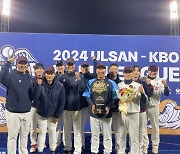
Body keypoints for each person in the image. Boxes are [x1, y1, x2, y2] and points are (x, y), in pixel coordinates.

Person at [0, 55, 33, 154]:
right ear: (17, 64)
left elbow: (32, 94)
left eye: (24, 63)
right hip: (13, 112)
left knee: (24, 136)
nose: (23, 65)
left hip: (26, 112)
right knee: (12, 137)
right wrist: (8, 63)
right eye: (20, 63)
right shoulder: (11, 75)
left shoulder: (30, 77)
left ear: (27, 64)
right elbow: (1, 78)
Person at [83, 63, 118, 154]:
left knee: (107, 135)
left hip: (106, 113)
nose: (101, 73)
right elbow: (87, 95)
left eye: (102, 71)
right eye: (99, 71)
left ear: (105, 72)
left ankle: (108, 151)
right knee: (94, 134)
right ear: (96, 72)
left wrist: (109, 106)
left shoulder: (111, 82)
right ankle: (94, 151)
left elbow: (116, 97)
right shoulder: (91, 82)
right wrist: (91, 104)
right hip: (94, 112)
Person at [34, 66, 65, 154]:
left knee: (52, 132)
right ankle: (40, 150)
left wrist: (57, 115)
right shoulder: (40, 84)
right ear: (45, 74)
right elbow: (35, 98)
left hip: (53, 115)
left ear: (54, 75)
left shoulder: (60, 86)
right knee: (42, 132)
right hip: (42, 113)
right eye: (47, 73)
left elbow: (61, 102)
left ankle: (52, 150)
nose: (49, 75)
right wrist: (38, 86)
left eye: (51, 73)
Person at [59, 58, 86, 154]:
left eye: (72, 65)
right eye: (68, 65)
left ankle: (78, 150)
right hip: (65, 108)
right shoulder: (62, 77)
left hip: (77, 108)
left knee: (77, 130)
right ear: (66, 66)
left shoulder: (79, 76)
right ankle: (67, 148)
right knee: (66, 129)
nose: (70, 66)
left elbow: (83, 89)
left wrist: (79, 79)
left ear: (74, 65)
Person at [117, 66, 145, 154]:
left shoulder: (138, 85)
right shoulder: (119, 85)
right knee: (121, 135)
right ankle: (121, 151)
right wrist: (118, 102)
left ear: (132, 73)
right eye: (126, 72)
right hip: (122, 113)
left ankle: (134, 152)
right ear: (123, 74)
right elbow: (116, 99)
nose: (128, 74)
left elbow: (144, 101)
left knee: (134, 136)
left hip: (134, 113)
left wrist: (142, 93)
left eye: (129, 72)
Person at [144, 65, 169, 154]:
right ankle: (144, 146)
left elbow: (166, 94)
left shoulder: (160, 81)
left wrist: (165, 85)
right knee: (143, 127)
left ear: (157, 72)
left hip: (154, 106)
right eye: (151, 71)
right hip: (144, 106)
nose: (153, 72)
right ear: (148, 71)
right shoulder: (143, 79)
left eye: (155, 71)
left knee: (155, 127)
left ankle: (155, 146)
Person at [131, 65, 153, 154]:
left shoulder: (143, 83)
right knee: (133, 131)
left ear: (140, 73)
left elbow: (150, 94)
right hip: (131, 111)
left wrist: (149, 85)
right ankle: (135, 148)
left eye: (138, 71)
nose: (136, 72)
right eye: (134, 70)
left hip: (141, 110)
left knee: (142, 130)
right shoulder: (128, 83)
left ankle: (142, 148)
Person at [79, 56, 98, 152]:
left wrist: (95, 61)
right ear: (80, 68)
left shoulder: (92, 76)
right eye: (83, 67)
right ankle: (81, 144)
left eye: (86, 67)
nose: (85, 68)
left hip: (91, 104)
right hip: (81, 105)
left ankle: (92, 144)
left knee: (93, 127)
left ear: (89, 68)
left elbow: (97, 70)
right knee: (81, 126)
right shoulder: (78, 76)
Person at [106, 63, 122, 152]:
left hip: (116, 110)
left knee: (118, 130)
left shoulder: (120, 83)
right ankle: (108, 149)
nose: (113, 71)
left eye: (115, 69)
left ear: (118, 70)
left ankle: (118, 148)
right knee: (107, 130)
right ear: (109, 70)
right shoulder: (105, 80)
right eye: (112, 69)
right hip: (107, 110)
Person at [30, 63, 45, 153]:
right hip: (33, 107)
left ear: (43, 70)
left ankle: (41, 143)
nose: (39, 70)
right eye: (37, 69)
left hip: (43, 107)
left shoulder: (46, 79)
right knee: (33, 127)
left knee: (42, 127)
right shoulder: (31, 80)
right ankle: (33, 143)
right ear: (35, 70)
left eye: (41, 69)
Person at [55, 60, 65, 151]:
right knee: (56, 125)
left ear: (64, 66)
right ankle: (56, 143)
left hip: (66, 105)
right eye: (58, 66)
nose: (59, 67)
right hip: (56, 106)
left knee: (66, 125)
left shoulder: (68, 75)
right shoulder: (53, 76)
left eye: (61, 65)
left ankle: (66, 143)